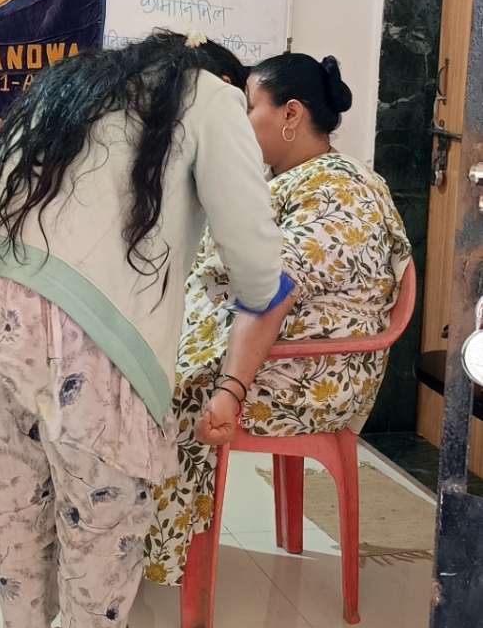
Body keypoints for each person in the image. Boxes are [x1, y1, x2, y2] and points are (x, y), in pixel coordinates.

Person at [0, 32, 296, 628]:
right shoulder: (213, 99)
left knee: (13, 495)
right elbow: (254, 256)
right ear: (225, 80)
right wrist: (267, 291)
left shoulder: (76, 85)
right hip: (78, 321)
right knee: (102, 525)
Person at [144, 52, 411, 587]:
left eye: (249, 107)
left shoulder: (338, 187)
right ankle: (126, 544)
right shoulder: (295, 178)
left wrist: (230, 389)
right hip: (278, 356)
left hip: (309, 375)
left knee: (154, 395)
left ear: (291, 114)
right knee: (131, 372)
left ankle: (137, 555)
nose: (239, 122)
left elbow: (272, 292)